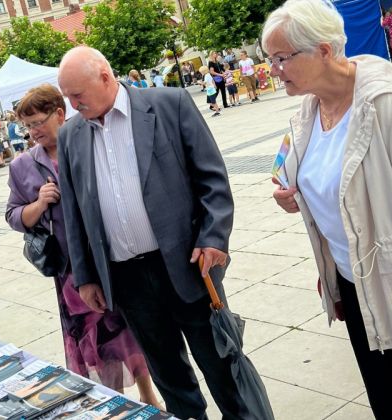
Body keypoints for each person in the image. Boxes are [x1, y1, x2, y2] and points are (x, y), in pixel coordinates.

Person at [57, 46, 251, 420]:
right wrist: (85, 277)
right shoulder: (71, 136)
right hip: (127, 279)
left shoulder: (169, 104)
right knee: (169, 377)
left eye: (77, 95)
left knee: (220, 366)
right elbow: (74, 212)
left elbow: (212, 180)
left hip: (186, 264)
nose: (72, 104)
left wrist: (213, 238)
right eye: (67, 96)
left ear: (105, 76)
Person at [263, 1, 392, 418]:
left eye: (282, 58)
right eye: (270, 60)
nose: (273, 70)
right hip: (354, 284)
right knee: (386, 398)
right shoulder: (307, 112)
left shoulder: (386, 104)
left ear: (323, 50)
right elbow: (327, 188)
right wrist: (294, 196)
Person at [5, 84, 160, 408]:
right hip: (70, 271)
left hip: (112, 258)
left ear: (60, 114)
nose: (33, 132)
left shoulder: (90, 143)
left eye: (38, 122)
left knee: (127, 330)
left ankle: (148, 394)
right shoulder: (22, 167)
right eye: (27, 125)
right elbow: (14, 215)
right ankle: (110, 403)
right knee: (93, 342)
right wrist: (38, 204)